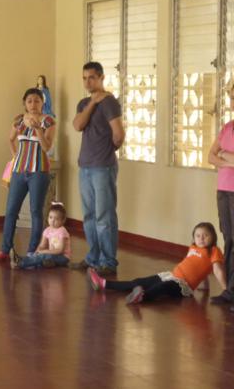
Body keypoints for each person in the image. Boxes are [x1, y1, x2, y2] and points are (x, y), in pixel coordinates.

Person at [70, 61, 125, 276]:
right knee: (89, 215)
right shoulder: (84, 103)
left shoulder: (110, 102)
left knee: (104, 216)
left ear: (101, 78)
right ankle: (93, 258)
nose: (87, 82)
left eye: (92, 77)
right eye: (84, 78)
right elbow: (77, 125)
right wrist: (93, 103)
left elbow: (119, 135)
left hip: (103, 167)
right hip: (84, 166)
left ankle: (108, 261)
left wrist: (108, 152)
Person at [87, 222, 227, 304]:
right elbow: (198, 267)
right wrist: (205, 286)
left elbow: (217, 270)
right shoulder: (193, 248)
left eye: (205, 235)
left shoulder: (214, 250)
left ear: (213, 237)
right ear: (194, 238)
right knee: (139, 281)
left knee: (162, 287)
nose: (201, 238)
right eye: (198, 235)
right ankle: (104, 283)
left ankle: (142, 297)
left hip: (183, 286)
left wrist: (227, 290)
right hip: (171, 275)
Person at [0, 88, 56, 263]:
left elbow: (46, 147)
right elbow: (10, 139)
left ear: (43, 103)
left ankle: (32, 252)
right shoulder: (19, 120)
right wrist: (16, 157)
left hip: (39, 172)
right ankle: (5, 250)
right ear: (24, 103)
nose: (33, 104)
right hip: (19, 171)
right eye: (29, 101)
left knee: (36, 211)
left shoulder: (49, 121)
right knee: (11, 210)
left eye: (37, 101)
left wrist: (38, 129)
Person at [208, 85, 234, 307]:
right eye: (232, 98)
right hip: (223, 191)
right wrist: (228, 159)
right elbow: (210, 156)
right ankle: (230, 290)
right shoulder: (227, 127)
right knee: (229, 239)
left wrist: (224, 156)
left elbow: (218, 156)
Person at [10, 203, 70, 270]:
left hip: (62, 257)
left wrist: (44, 252)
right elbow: (42, 245)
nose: (52, 221)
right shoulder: (47, 230)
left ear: (62, 221)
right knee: (35, 255)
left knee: (45, 256)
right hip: (52, 255)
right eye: (50, 217)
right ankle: (19, 259)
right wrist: (37, 251)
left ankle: (20, 263)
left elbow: (60, 250)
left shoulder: (62, 231)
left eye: (56, 219)